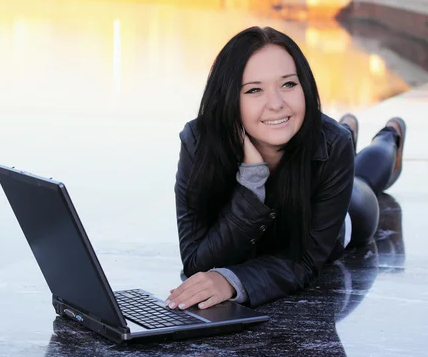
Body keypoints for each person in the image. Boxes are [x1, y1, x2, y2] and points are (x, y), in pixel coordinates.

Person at [165, 26, 407, 310]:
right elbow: (195, 260)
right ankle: (346, 130)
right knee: (335, 141)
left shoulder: (331, 147)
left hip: (345, 218)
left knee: (361, 180)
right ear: (229, 98)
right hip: (322, 146)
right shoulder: (198, 141)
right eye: (254, 90)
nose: (277, 104)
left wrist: (231, 280)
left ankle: (389, 137)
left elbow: (305, 261)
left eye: (288, 84)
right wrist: (252, 180)